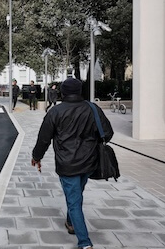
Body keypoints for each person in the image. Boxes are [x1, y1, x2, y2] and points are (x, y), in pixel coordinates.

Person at [31, 77, 113, 249]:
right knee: (76, 195)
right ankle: (70, 223)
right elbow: (108, 133)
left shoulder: (55, 112)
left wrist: (36, 157)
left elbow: (44, 139)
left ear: (63, 92)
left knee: (74, 201)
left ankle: (84, 242)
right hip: (89, 162)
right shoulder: (92, 108)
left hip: (67, 163)